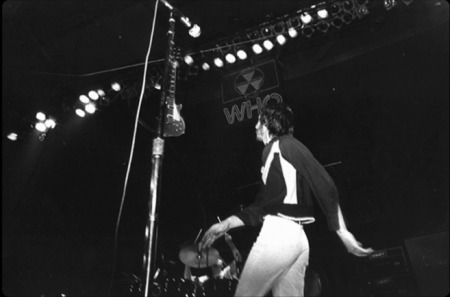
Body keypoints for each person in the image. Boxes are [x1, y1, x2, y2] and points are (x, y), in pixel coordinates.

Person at [199, 101, 374, 297]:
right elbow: (260, 208)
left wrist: (342, 231)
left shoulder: (285, 144)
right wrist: (226, 224)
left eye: (259, 121)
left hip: (280, 235)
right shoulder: (271, 154)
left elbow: (325, 184)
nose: (255, 126)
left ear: (268, 123)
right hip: (296, 238)